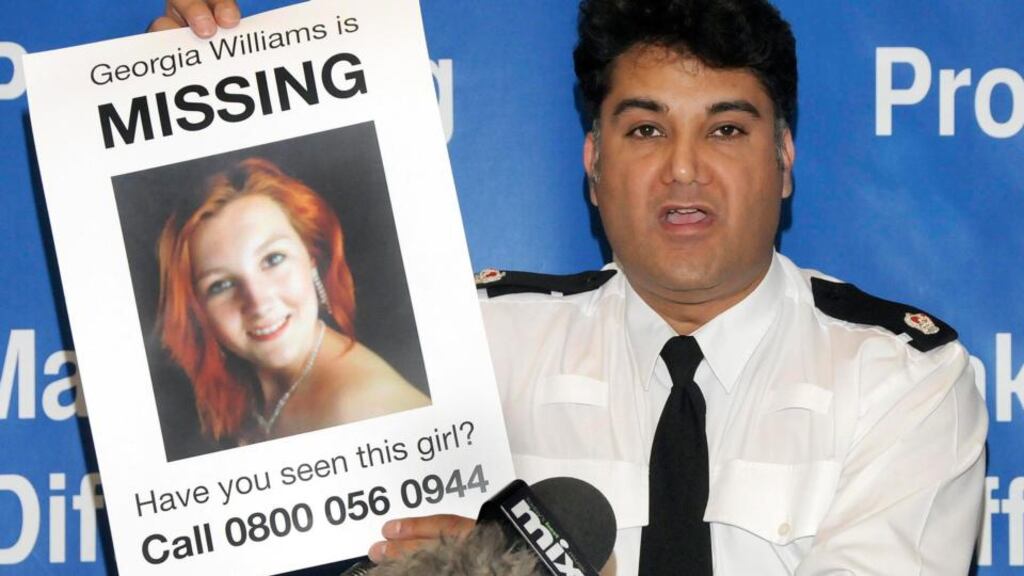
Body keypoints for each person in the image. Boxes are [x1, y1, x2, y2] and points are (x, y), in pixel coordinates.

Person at [154, 1, 987, 574]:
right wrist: (185, 105)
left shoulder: (903, 378)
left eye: (727, 129)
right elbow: (278, 520)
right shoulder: (478, 342)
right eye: (646, 129)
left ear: (785, 160)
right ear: (594, 165)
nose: (685, 169)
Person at [158, 157, 429, 446]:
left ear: (311, 258)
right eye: (221, 285)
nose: (258, 303)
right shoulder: (245, 383)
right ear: (197, 308)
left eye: (273, 259)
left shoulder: (363, 407)